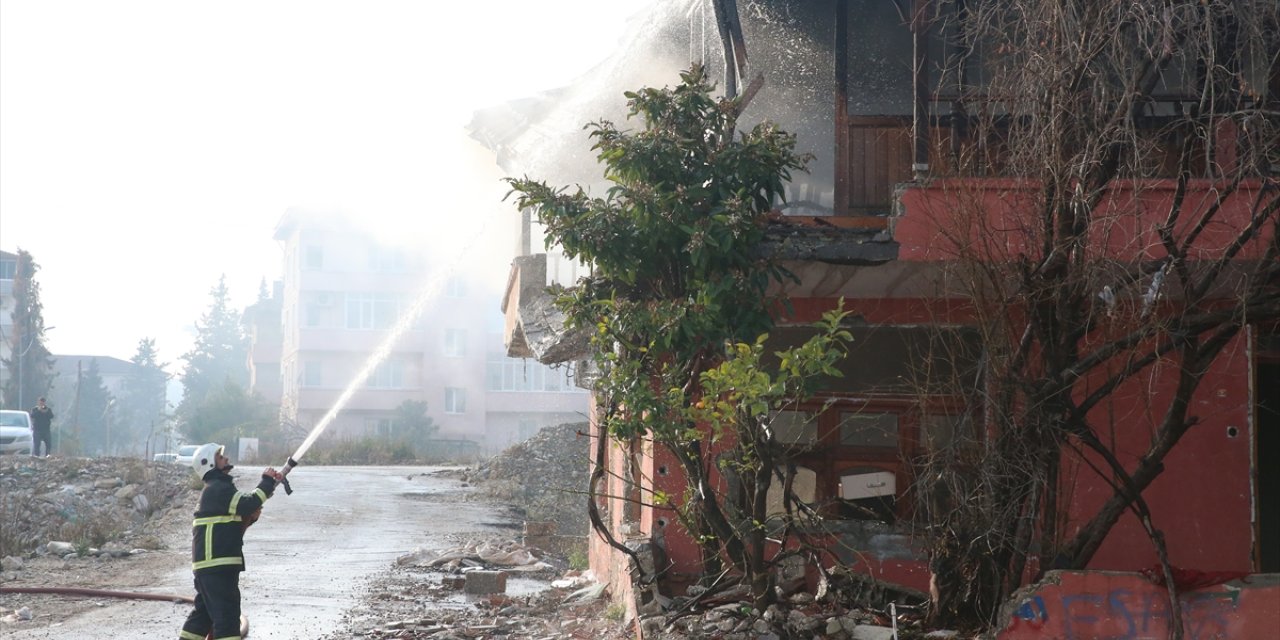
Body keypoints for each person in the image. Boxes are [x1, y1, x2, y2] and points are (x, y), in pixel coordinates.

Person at [179, 443, 284, 640]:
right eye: (221, 457)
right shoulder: (219, 488)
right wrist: (266, 481)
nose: (226, 459)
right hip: (218, 567)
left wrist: (251, 517)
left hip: (210, 567)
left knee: (203, 614)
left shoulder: (216, 489)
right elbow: (248, 503)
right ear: (210, 464)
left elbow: (231, 522)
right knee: (227, 618)